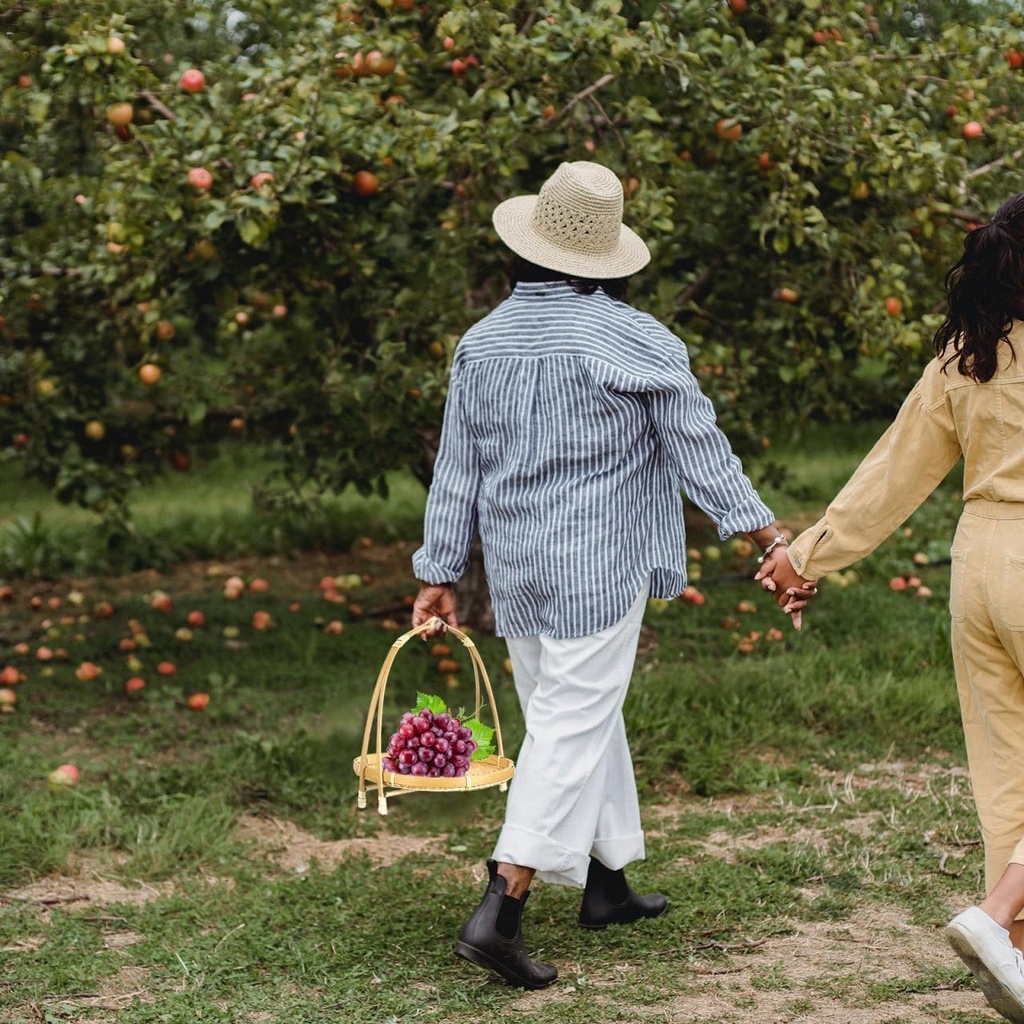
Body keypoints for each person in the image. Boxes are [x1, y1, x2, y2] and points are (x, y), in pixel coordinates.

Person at [410, 160, 799, 990]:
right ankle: (502, 905)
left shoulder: (482, 343)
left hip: (518, 571)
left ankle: (606, 880)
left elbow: (457, 473)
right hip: (596, 568)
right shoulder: (635, 339)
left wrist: (439, 570)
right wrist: (763, 531)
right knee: (570, 724)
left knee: (577, 712)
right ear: (604, 255)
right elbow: (701, 451)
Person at [756, 191, 1024, 1024]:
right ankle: (996, 916)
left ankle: (1012, 958)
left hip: (978, 562)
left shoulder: (968, 353)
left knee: (1006, 768)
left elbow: (892, 473)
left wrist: (804, 555)